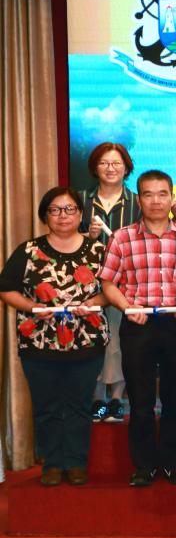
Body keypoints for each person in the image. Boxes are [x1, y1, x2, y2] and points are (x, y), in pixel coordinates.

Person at [97, 170, 176, 487]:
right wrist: (127, 307)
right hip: (137, 323)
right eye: (148, 194)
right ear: (139, 199)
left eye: (162, 194)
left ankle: (173, 464)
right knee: (140, 401)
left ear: (172, 198)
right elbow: (108, 282)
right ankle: (143, 466)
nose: (156, 201)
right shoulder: (122, 237)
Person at [0, 188, 108, 486]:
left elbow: (113, 290)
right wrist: (31, 307)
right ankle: (52, 463)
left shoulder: (99, 250)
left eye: (70, 209)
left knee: (79, 404)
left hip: (86, 340)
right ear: (45, 215)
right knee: (46, 404)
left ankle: (75, 463)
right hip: (39, 342)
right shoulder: (28, 250)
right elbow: (6, 289)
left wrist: (94, 302)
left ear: (80, 214)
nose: (63, 215)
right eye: (55, 210)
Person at [79, 142, 140, 420]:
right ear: (95, 167)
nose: (110, 168)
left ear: (126, 168)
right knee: (92, 338)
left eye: (116, 163)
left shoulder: (138, 201)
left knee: (118, 339)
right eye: (104, 163)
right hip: (86, 281)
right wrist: (88, 237)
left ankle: (116, 398)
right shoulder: (81, 200)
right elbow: (66, 239)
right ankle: (97, 399)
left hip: (125, 281)